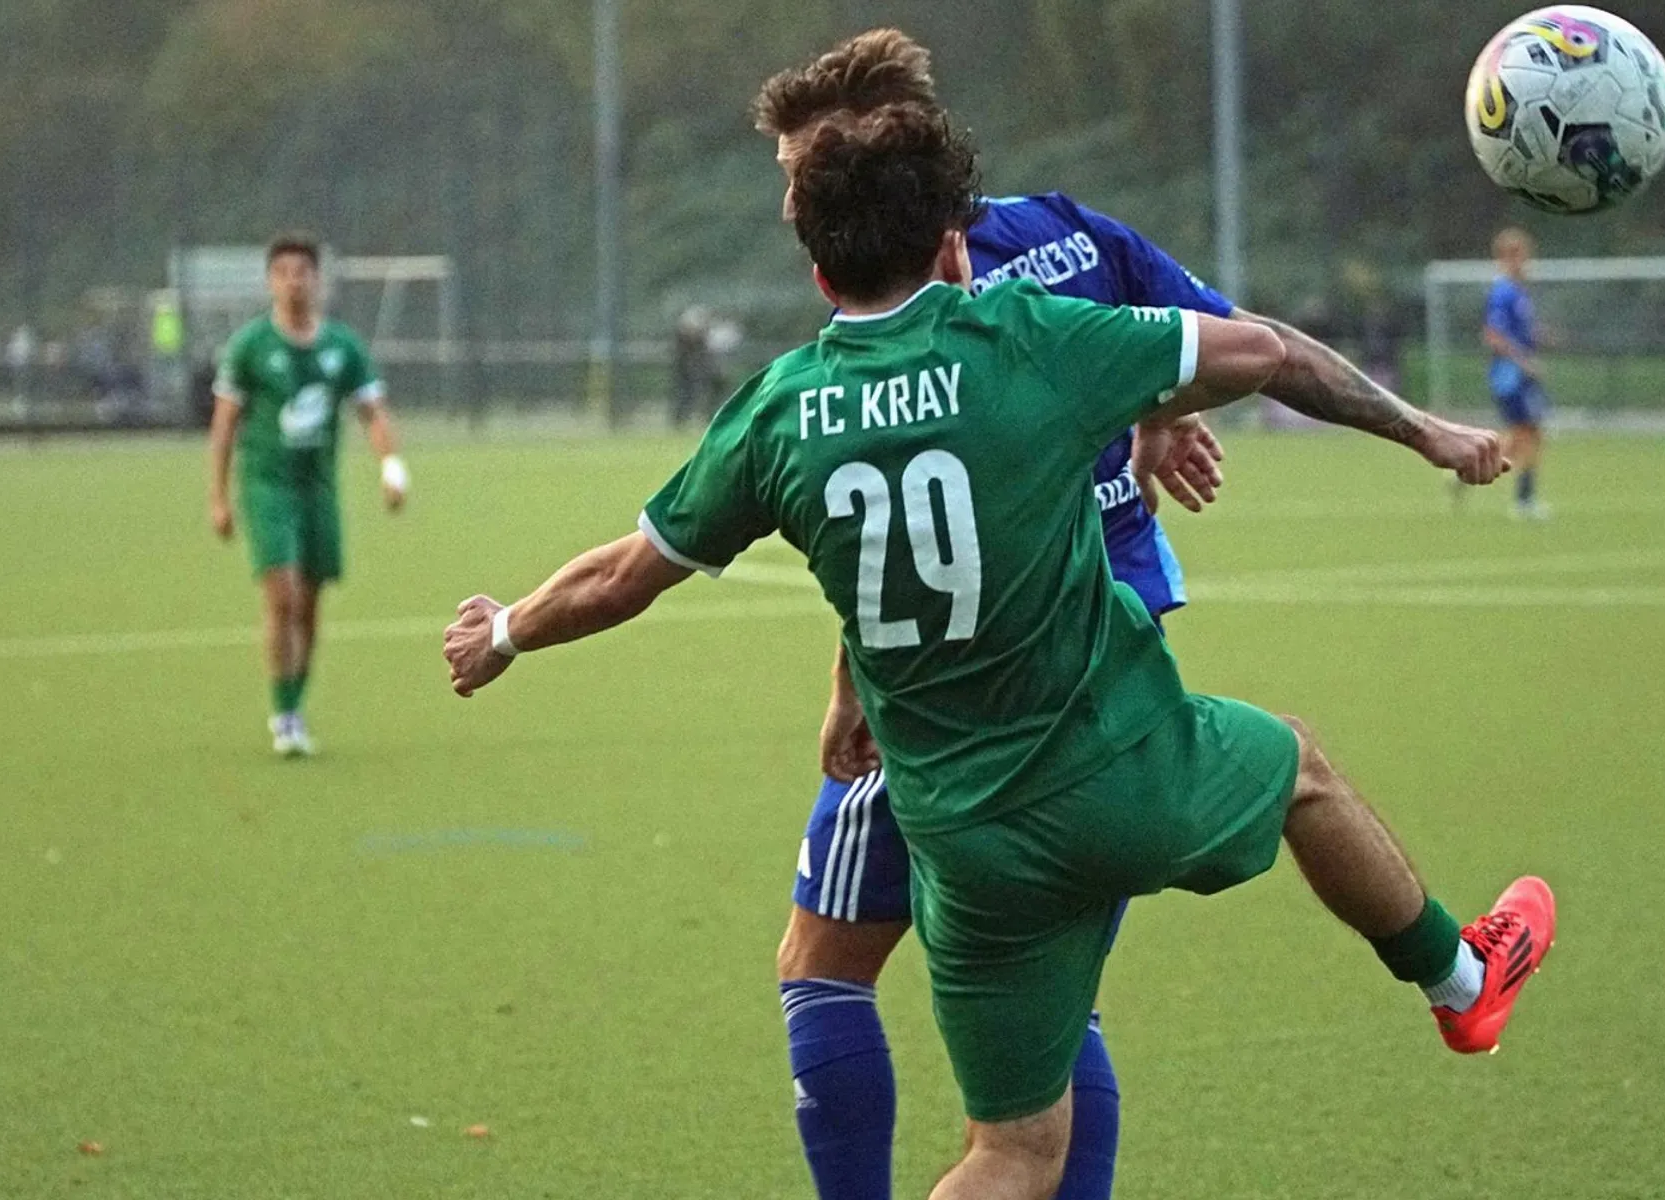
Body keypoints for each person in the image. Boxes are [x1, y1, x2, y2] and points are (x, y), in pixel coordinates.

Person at [444, 106, 1552, 1200]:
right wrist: (1403, 428)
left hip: (965, 842)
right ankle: (1460, 979)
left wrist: (501, 633)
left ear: (822, 279)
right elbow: (1261, 352)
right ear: (952, 247)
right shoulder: (1027, 341)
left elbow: (621, 575)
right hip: (1123, 773)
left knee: (1011, 1153)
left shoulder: (776, 412)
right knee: (1300, 769)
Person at [751, 30, 1518, 1200]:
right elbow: (1231, 345)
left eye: (809, 172)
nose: (803, 202)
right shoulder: (1067, 235)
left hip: (950, 696)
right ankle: (1456, 979)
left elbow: (902, 527)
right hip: (1105, 668)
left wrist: (848, 685)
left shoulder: (901, 302)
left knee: (825, 965)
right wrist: (1174, 414)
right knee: (1052, 1014)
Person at [208, 232, 409, 756]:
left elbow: (373, 412)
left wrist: (391, 466)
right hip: (266, 486)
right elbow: (225, 424)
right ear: (271, 281)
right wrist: (219, 497)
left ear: (318, 280)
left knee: (311, 604)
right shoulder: (251, 346)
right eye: (284, 272)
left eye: (303, 271)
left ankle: (295, 702)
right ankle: (284, 715)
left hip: (318, 490)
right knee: (283, 594)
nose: (294, 281)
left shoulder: (342, 347)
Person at [1482, 228, 1550, 519]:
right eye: (1521, 256)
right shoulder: (1503, 292)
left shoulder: (1519, 293)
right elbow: (1493, 335)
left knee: (1526, 433)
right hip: (1510, 374)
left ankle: (1468, 468)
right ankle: (1524, 500)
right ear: (1507, 258)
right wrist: (1524, 361)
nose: (1526, 262)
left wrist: (1539, 336)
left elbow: (1517, 332)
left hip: (1520, 372)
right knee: (1527, 432)